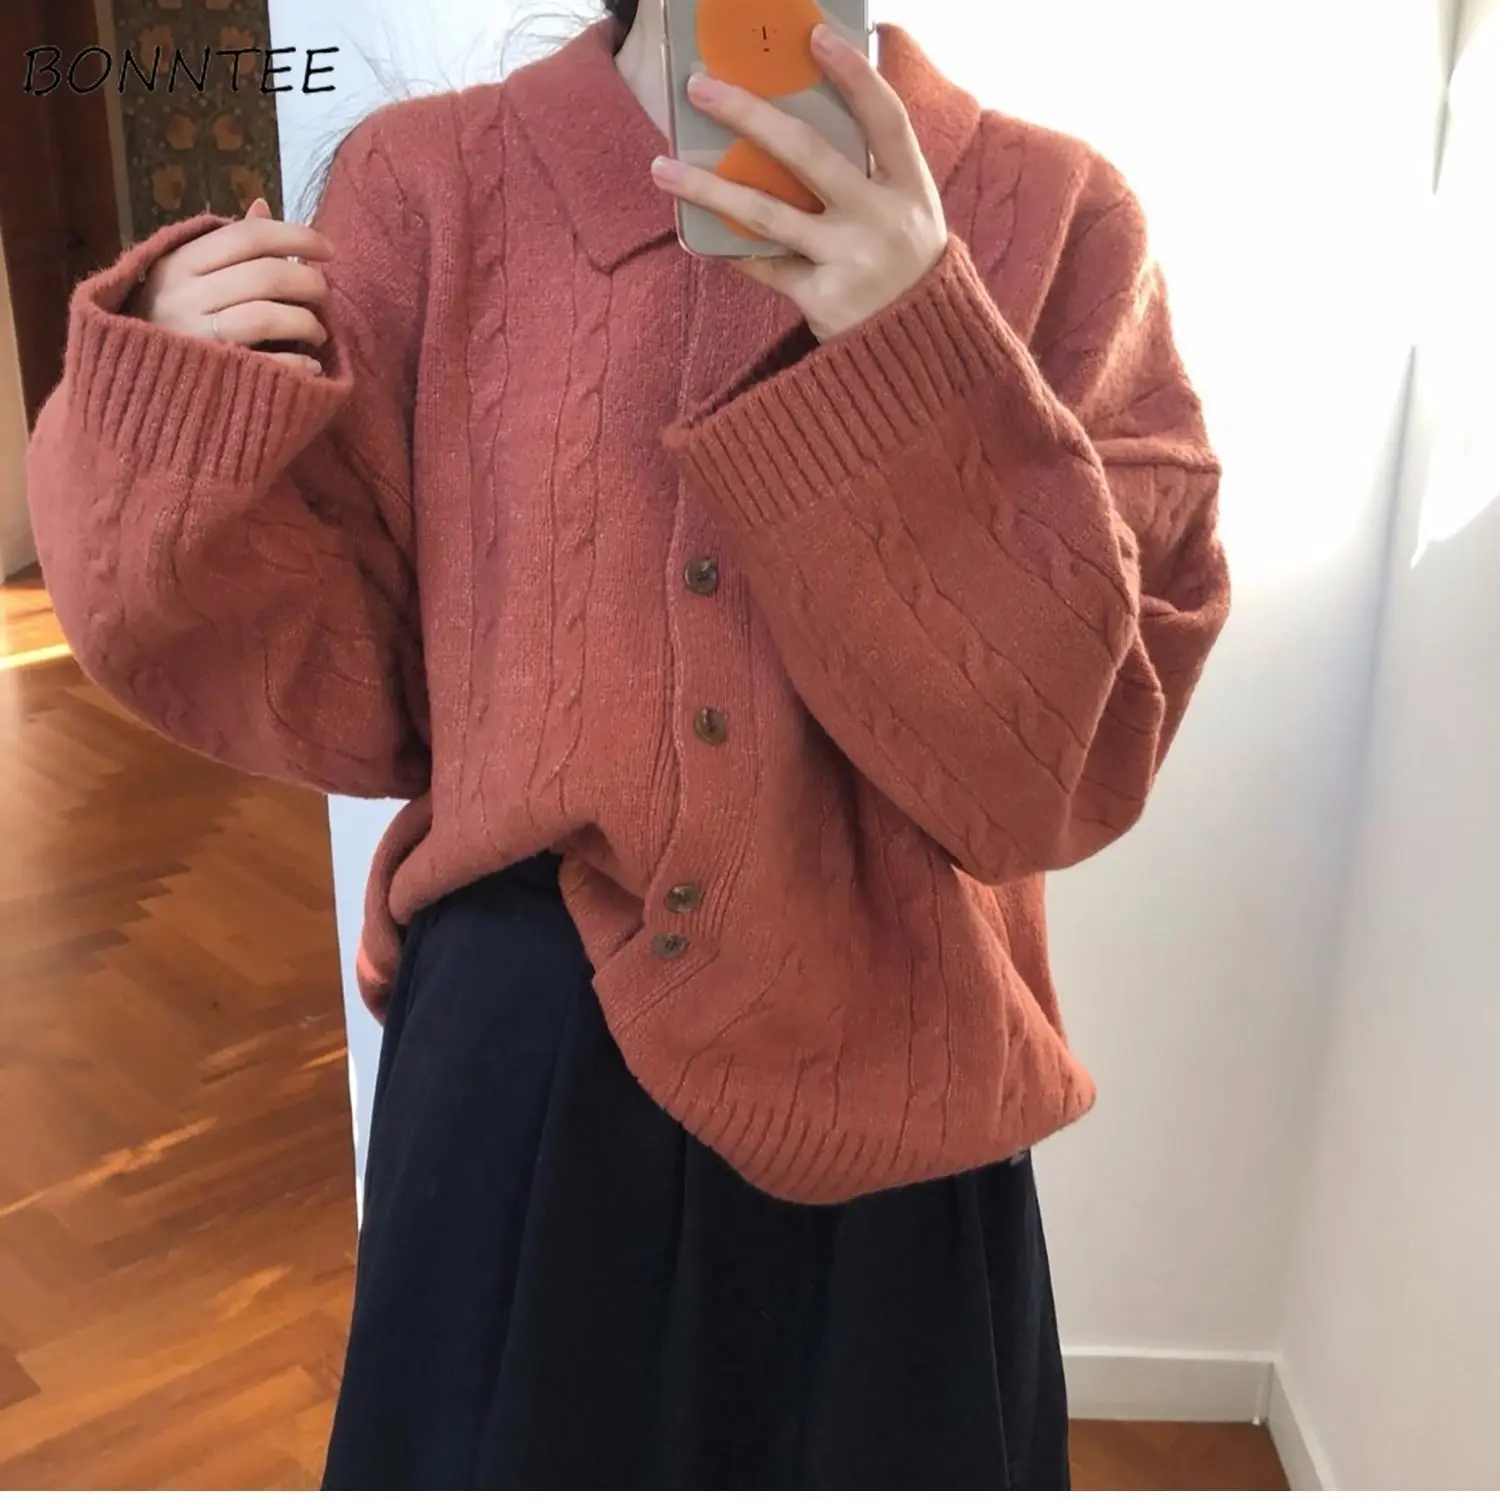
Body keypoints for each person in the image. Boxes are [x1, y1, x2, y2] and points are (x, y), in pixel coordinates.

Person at [26, 0, 1230, 1487]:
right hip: (523, 1076)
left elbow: (1064, 764)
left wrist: (920, 346)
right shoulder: (429, 185)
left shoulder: (1058, 215)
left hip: (902, 1099)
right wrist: (164, 403)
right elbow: (341, 682)